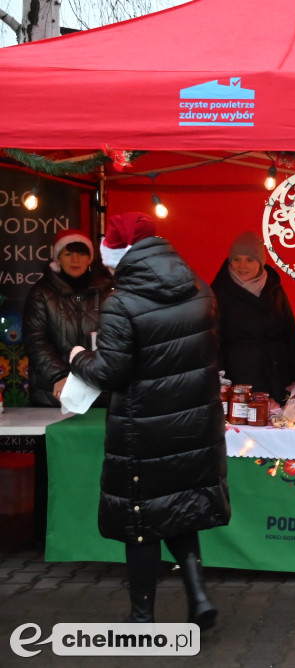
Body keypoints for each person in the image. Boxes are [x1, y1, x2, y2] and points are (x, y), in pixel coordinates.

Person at [69, 212, 230, 628]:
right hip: (193, 425)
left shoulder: (121, 303)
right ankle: (197, 596)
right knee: (177, 507)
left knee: (140, 520)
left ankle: (142, 618)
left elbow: (110, 373)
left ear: (118, 254)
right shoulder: (199, 287)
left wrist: (78, 359)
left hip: (143, 429)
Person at [23, 229, 113, 406]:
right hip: (53, 393)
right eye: (68, 254)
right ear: (57, 258)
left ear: (90, 258)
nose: (75, 259)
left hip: (99, 391)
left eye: (81, 253)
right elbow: (35, 339)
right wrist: (59, 376)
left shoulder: (107, 291)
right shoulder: (41, 292)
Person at [211, 231, 295, 404]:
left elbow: (290, 334)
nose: (242, 265)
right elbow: (213, 341)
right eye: (237, 259)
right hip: (240, 381)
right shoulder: (219, 293)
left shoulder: (274, 289)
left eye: (249, 260)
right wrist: (220, 382)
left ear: (260, 262)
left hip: (277, 378)